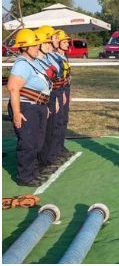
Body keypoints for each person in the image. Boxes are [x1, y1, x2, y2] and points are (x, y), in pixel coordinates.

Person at [6, 29, 52, 187]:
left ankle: (33, 172)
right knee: (28, 142)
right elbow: (13, 88)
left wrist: (44, 105)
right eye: (33, 45)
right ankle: (25, 177)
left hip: (37, 105)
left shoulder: (33, 62)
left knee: (37, 142)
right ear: (24, 47)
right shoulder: (22, 64)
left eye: (36, 45)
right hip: (26, 107)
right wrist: (17, 113)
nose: (36, 48)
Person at [44, 30, 73, 170]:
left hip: (62, 89)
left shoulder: (60, 56)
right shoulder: (49, 57)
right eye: (63, 41)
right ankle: (52, 154)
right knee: (54, 122)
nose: (67, 43)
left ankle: (59, 149)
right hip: (54, 91)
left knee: (62, 119)